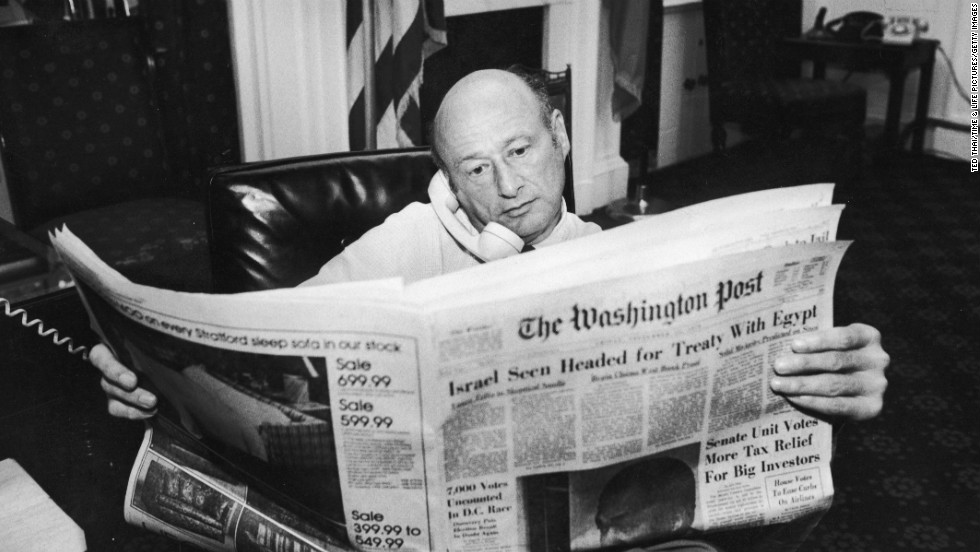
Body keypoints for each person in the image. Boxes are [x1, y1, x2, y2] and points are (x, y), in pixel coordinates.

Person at [93, 68, 889, 432]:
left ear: (563, 138)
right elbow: (265, 343)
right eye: (476, 168)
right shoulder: (406, 238)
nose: (507, 186)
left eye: (521, 149)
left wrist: (837, 378)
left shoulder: (612, 252)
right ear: (447, 180)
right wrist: (160, 384)